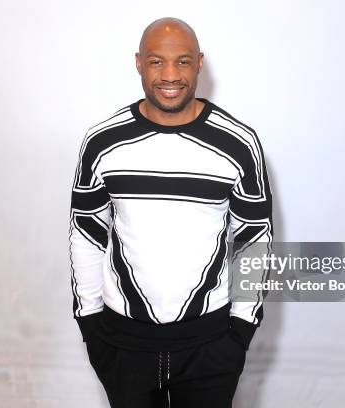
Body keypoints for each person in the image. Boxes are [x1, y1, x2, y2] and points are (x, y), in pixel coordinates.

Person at [68, 17, 273, 408]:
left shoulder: (239, 143)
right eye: (156, 61)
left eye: (182, 61)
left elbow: (254, 239)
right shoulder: (102, 142)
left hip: (210, 345)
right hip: (123, 343)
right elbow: (86, 234)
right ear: (138, 63)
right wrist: (90, 324)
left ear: (199, 63)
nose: (170, 74)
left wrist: (241, 330)